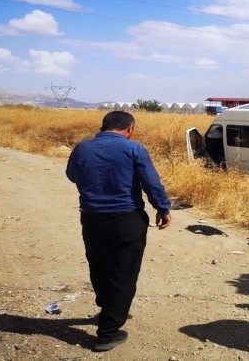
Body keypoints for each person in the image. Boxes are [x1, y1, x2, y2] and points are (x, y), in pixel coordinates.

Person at [66, 110, 172, 352]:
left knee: (99, 265)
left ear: (103, 127)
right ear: (130, 128)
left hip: (92, 218)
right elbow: (151, 182)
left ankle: (108, 307)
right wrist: (162, 208)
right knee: (124, 273)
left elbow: (72, 175)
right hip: (127, 218)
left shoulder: (82, 148)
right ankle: (107, 333)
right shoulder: (134, 149)